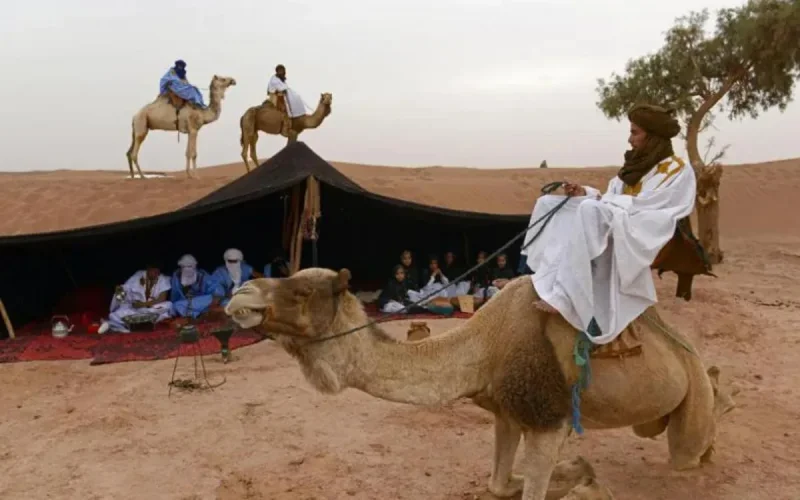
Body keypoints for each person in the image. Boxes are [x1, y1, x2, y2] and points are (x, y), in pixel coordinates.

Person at [521, 103, 696, 345]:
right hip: (622, 213)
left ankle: (565, 297)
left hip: (648, 225)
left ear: (653, 136)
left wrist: (604, 204)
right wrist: (584, 192)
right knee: (549, 203)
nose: (630, 139)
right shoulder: (635, 165)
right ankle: (545, 275)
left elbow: (654, 203)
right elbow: (610, 195)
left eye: (635, 133)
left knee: (590, 210)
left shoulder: (677, 169)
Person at [106, 263, 172, 333]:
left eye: (158, 272)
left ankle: (137, 322)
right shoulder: (137, 276)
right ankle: (129, 325)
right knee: (113, 315)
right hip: (135, 309)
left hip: (151, 308)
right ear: (148, 269)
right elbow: (125, 290)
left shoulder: (163, 279)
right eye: (155, 272)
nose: (157, 274)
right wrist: (121, 293)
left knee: (168, 305)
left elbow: (162, 298)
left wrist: (144, 304)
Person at [169, 254, 220, 318]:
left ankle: (196, 313)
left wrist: (215, 299)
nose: (187, 269)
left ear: (194, 266)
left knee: (214, 299)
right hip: (185, 302)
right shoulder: (176, 275)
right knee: (176, 305)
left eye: (189, 266)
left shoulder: (202, 275)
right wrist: (174, 306)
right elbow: (175, 293)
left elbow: (214, 288)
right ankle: (198, 314)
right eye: (184, 266)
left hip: (202, 300)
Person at [266, 64, 306, 136]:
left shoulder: (282, 80)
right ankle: (285, 128)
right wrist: (282, 91)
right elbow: (277, 89)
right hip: (275, 96)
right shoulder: (274, 79)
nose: (281, 72)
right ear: (277, 72)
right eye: (279, 71)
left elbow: (284, 88)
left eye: (282, 71)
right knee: (284, 109)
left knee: (293, 100)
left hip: (281, 95)